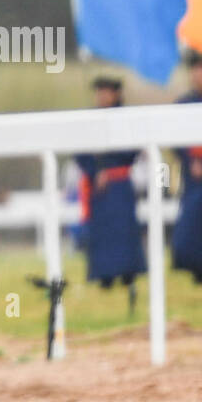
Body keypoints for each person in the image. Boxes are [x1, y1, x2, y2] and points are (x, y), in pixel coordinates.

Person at [73, 77, 145, 289]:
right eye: (100, 92)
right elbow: (81, 153)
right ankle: (104, 275)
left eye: (107, 92)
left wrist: (111, 165)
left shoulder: (126, 118)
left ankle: (128, 273)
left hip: (120, 185)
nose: (103, 96)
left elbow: (132, 150)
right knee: (102, 233)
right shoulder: (89, 119)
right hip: (100, 189)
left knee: (124, 231)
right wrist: (95, 172)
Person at [173, 51, 202, 283]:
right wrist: (191, 161)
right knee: (194, 222)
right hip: (195, 174)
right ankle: (196, 269)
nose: (201, 74)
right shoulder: (183, 104)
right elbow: (176, 141)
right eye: (196, 69)